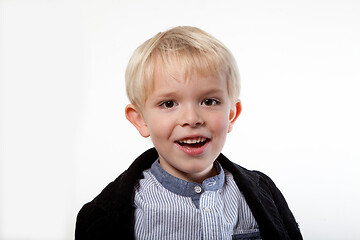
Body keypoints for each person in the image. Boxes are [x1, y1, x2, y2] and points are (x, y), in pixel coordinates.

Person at [75, 26, 302, 240]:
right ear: (141, 120)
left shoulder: (263, 194)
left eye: (209, 101)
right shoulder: (107, 215)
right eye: (169, 103)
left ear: (232, 114)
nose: (192, 119)